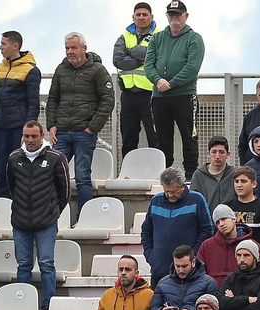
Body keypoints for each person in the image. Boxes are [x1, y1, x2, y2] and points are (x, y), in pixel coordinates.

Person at [5, 121, 67, 310]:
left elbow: (64, 190)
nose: (30, 140)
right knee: (23, 265)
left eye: (33, 136)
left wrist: (51, 210)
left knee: (46, 264)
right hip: (21, 221)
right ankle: (24, 303)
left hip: (46, 222)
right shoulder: (14, 158)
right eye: (26, 136)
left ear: (42, 135)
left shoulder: (56, 157)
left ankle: (48, 306)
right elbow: (11, 186)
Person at [43, 33, 111, 210]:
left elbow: (107, 101)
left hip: (84, 133)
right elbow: (53, 99)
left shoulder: (98, 70)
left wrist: (92, 127)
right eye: (67, 48)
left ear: (84, 48)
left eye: (73, 47)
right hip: (62, 133)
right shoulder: (61, 69)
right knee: (51, 174)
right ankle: (53, 216)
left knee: (82, 177)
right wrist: (51, 125)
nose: (69, 51)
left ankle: (84, 218)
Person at [142, 0, 202, 174]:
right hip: (160, 97)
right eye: (171, 14)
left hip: (185, 95)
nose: (174, 17)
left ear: (186, 16)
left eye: (178, 14)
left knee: (189, 136)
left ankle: (190, 173)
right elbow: (148, 65)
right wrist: (158, 81)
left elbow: (192, 67)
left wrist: (171, 83)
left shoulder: (194, 38)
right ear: (167, 16)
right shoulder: (157, 38)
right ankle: (164, 172)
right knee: (162, 138)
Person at [141, 167, 212, 287]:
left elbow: (207, 231)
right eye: (166, 191)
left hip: (188, 272)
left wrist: (192, 256)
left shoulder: (197, 200)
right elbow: (146, 231)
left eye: (174, 191)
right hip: (159, 270)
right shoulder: (155, 201)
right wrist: (151, 256)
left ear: (183, 186)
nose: (169, 195)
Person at [0, 32, 40, 198]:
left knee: (18, 168)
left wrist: (26, 132)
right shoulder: (0, 68)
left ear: (15, 46)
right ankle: (2, 203)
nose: (0, 47)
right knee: (1, 167)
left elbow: (33, 103)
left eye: (3, 44)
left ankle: (19, 203)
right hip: (0, 128)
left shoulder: (30, 70)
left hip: (18, 128)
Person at [113, 4, 160, 155]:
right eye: (138, 14)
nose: (141, 17)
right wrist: (144, 58)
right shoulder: (125, 35)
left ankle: (158, 173)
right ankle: (128, 174)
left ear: (151, 17)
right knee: (128, 138)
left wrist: (131, 53)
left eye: (145, 14)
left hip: (151, 94)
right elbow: (118, 60)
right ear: (133, 17)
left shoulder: (160, 35)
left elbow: (161, 57)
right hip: (128, 94)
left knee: (156, 137)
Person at [150, 244, 217, 310]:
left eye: (184, 266)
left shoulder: (208, 282)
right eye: (177, 266)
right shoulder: (163, 283)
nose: (180, 270)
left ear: (193, 262)